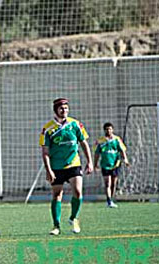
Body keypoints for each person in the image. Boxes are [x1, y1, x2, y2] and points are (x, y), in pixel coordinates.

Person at [40, 98, 93, 235]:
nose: (64, 111)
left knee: (78, 192)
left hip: (73, 163)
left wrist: (90, 161)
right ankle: (56, 226)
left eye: (66, 108)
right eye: (61, 109)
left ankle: (74, 218)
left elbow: (84, 143)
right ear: (56, 110)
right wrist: (49, 170)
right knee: (57, 195)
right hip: (56, 166)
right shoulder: (48, 128)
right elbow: (45, 152)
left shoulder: (75, 124)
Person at [94, 122, 130, 208]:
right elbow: (97, 153)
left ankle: (111, 199)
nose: (108, 131)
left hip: (115, 165)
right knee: (108, 183)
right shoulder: (100, 141)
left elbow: (122, 150)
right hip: (105, 165)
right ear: (104, 130)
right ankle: (109, 200)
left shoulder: (117, 139)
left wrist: (125, 159)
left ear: (112, 130)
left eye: (110, 129)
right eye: (107, 129)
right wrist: (95, 164)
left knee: (114, 183)